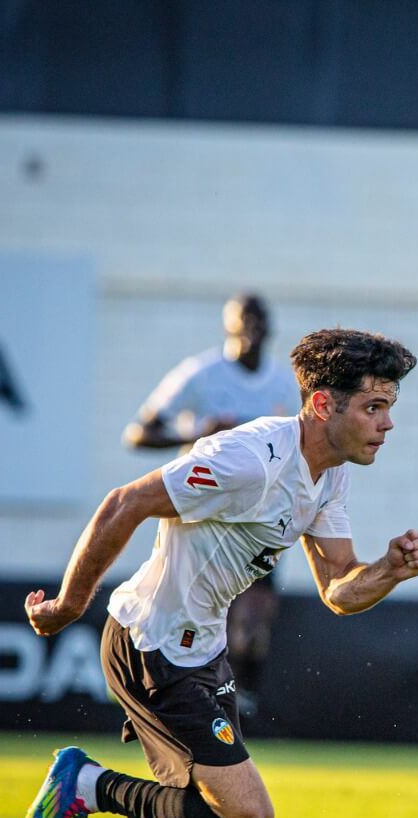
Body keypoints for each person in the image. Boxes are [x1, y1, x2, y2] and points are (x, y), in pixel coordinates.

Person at [21, 328, 418, 818]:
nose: (387, 424)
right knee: (247, 817)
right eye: (373, 407)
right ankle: (85, 786)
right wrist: (68, 604)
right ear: (323, 404)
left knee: (208, 815)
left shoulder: (329, 475)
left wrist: (389, 570)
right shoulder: (249, 459)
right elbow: (125, 502)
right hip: (151, 644)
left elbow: (338, 590)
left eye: (389, 407)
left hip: (200, 654)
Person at [123, 294, 298, 720]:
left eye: (258, 322)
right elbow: (139, 433)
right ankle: (163, 695)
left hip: (258, 519)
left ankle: (241, 705)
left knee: (254, 622)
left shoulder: (283, 384)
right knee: (189, 617)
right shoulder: (201, 374)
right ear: (228, 326)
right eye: (243, 322)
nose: (251, 331)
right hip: (202, 517)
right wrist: (199, 433)